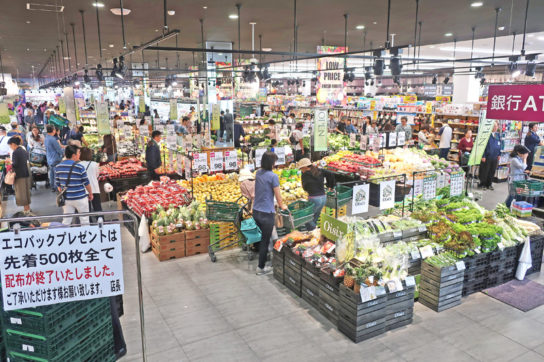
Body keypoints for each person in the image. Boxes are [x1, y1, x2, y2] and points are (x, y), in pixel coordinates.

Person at [253, 151, 287, 275]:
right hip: (267, 213)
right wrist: (283, 205)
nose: (275, 164)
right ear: (271, 163)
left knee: (262, 238)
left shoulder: (258, 173)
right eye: (274, 162)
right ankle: (260, 268)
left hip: (256, 211)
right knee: (265, 241)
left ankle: (267, 260)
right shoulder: (273, 176)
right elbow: (278, 196)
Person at [56, 145, 93, 225]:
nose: (80, 154)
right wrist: (90, 193)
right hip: (80, 198)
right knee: (85, 221)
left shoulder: (58, 167)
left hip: (67, 199)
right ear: (73, 155)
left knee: (66, 221)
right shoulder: (80, 167)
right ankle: (86, 237)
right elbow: (86, 183)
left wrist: (64, 193)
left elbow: (58, 185)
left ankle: (64, 236)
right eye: (79, 153)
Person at [298, 158, 328, 231]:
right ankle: (313, 235)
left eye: (301, 168)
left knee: (307, 217)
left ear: (305, 167)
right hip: (323, 197)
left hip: (314, 198)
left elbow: (305, 187)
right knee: (315, 217)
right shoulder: (318, 171)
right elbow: (329, 175)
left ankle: (315, 231)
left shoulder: (305, 175)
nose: (301, 170)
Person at [8, 137, 31, 213]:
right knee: (26, 192)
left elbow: (15, 164)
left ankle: (26, 210)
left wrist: (9, 162)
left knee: (21, 193)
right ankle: (27, 208)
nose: (10, 147)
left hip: (19, 175)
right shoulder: (23, 151)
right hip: (26, 173)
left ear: (13, 144)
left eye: (10, 145)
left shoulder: (15, 152)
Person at [79, 148, 102, 218]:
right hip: (94, 188)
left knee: (86, 210)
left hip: (83, 189)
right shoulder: (95, 164)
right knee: (97, 208)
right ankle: (101, 223)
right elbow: (97, 175)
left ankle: (89, 225)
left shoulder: (78, 165)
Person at [479, 122, 501, 190]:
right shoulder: (486, 135)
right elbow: (482, 146)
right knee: (485, 171)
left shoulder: (498, 135)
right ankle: (483, 184)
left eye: (496, 126)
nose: (495, 127)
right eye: (493, 126)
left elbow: (500, 145)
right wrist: (483, 156)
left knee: (492, 171)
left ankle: (489, 184)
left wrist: (499, 154)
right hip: (487, 156)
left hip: (495, 157)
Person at [45, 125, 64, 192]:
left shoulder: (46, 138)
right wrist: (64, 153)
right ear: (53, 131)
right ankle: (56, 187)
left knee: (52, 173)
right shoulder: (53, 139)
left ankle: (52, 186)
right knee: (56, 174)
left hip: (50, 158)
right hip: (55, 158)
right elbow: (59, 149)